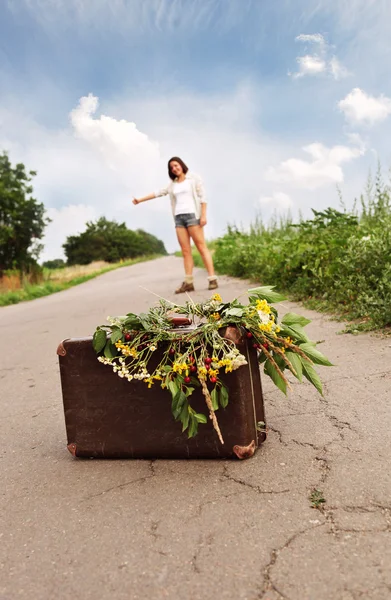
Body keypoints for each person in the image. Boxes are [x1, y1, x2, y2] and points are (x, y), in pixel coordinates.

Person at [132, 156, 218, 294]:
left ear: (181, 165)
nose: (174, 168)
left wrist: (203, 215)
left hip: (193, 216)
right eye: (172, 167)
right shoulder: (172, 184)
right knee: (185, 251)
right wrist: (140, 200)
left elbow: (203, 197)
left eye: (176, 165)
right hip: (179, 218)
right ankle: (189, 282)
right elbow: (158, 193)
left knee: (201, 247)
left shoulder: (194, 179)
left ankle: (212, 279)